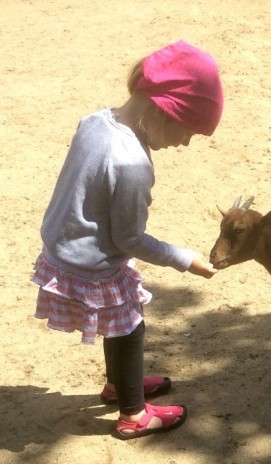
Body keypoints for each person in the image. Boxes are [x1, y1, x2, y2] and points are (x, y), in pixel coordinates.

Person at [32, 40, 223, 440]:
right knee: (129, 322)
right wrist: (184, 259)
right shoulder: (132, 163)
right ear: (161, 111)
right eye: (187, 132)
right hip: (89, 261)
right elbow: (130, 238)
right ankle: (133, 413)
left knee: (117, 322)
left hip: (63, 245)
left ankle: (120, 385)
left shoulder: (95, 121)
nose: (185, 144)